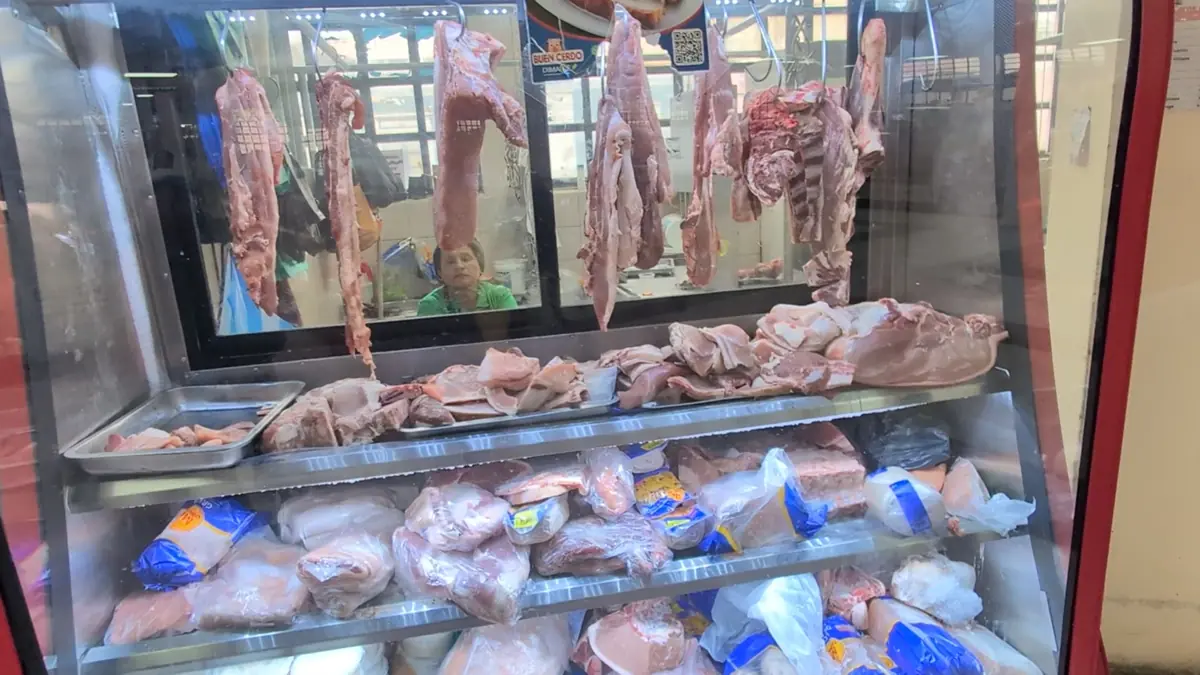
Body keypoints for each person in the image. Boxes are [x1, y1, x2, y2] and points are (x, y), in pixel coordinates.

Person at [417, 240, 518, 316]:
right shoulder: (430, 305)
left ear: (480, 265)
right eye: (450, 262)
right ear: (440, 273)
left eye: (466, 259)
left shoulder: (500, 297)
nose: (459, 266)